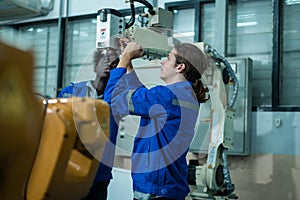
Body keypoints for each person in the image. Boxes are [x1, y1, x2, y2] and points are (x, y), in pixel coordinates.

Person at [104, 42, 210, 200]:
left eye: (168, 58)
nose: (162, 62)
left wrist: (124, 59)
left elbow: (112, 100)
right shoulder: (186, 95)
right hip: (169, 184)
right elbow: (141, 95)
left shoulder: (165, 96)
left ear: (180, 67)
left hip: (155, 188)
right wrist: (129, 65)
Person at [58, 48, 120, 200]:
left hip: (100, 174)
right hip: (71, 169)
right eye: (104, 59)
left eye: (113, 61)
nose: (109, 63)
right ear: (94, 67)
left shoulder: (118, 99)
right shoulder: (71, 92)